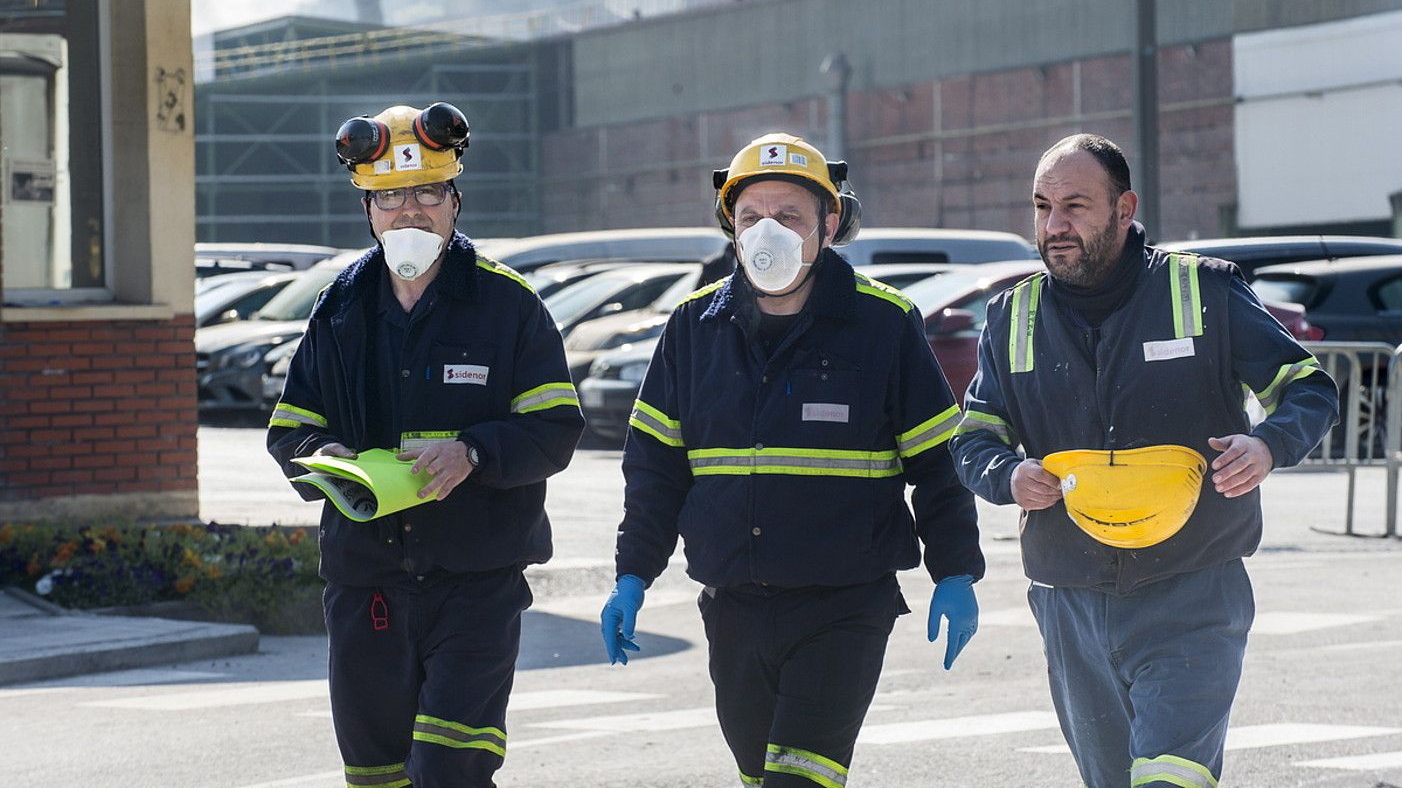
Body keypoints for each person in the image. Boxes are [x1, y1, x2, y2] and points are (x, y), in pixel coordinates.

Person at [948, 133, 1339, 788]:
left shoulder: (1203, 292)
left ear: (1124, 208)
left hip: (1194, 588)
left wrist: (1268, 445)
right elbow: (974, 437)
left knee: (1169, 777)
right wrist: (1007, 475)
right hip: (1070, 597)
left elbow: (1308, 389)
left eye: (1075, 205)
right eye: (1042, 206)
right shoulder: (1010, 316)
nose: (1055, 225)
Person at [600, 133, 984, 787]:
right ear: (730, 228)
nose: (766, 233)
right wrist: (633, 574)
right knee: (761, 776)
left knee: (798, 780)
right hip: (733, 606)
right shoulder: (694, 329)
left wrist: (956, 570)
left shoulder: (882, 325)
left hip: (843, 607)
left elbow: (939, 465)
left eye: (788, 217)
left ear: (827, 226)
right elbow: (655, 470)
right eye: (751, 218)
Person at [267, 103, 584, 788]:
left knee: (449, 770)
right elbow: (291, 427)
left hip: (475, 586)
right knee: (377, 777)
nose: (409, 212)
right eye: (388, 197)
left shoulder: (509, 306)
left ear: (455, 202)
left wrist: (472, 453)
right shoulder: (340, 310)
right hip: (366, 587)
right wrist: (330, 463)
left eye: (427, 193)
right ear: (369, 211)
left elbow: (555, 429)